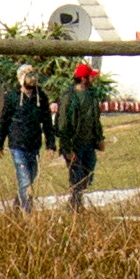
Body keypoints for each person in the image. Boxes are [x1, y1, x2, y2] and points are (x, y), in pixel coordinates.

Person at [0, 58, 50, 209]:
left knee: (30, 178)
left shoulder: (41, 97)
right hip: (17, 145)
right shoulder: (12, 97)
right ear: (21, 78)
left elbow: (47, 121)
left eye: (33, 75)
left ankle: (17, 207)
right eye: (28, 75)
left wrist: (50, 145)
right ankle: (28, 214)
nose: (32, 79)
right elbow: (4, 121)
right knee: (26, 182)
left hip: (34, 144)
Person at [56, 59, 106, 208]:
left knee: (87, 176)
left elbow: (95, 120)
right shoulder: (69, 97)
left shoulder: (91, 96)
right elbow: (63, 124)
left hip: (89, 144)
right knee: (76, 177)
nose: (93, 79)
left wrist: (99, 139)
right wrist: (67, 149)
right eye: (91, 76)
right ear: (83, 79)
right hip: (74, 145)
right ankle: (75, 208)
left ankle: (75, 203)